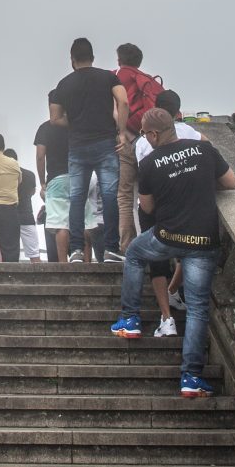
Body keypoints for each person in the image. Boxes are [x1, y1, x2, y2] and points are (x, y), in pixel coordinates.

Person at [111, 107, 235, 396]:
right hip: (204, 242)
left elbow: (148, 207)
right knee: (198, 309)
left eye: (144, 133)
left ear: (154, 134)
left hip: (169, 236)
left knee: (134, 254)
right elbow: (231, 182)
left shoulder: (150, 163)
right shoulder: (204, 150)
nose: (144, 138)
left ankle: (130, 318)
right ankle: (191, 377)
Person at [51, 38, 129, 263]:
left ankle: (76, 250)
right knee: (110, 196)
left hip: (77, 148)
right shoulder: (108, 77)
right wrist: (121, 132)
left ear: (72, 60)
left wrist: (75, 122)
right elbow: (123, 102)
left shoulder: (63, 84)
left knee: (77, 198)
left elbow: (54, 118)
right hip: (106, 144)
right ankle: (111, 249)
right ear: (93, 58)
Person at [134, 89, 201, 336]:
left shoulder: (142, 144)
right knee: (189, 249)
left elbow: (144, 183)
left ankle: (166, 317)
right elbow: (207, 147)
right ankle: (174, 290)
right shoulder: (190, 133)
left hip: (156, 204)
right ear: (177, 112)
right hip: (186, 202)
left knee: (154, 259)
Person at [114, 43, 163, 252]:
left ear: (119, 60)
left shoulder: (116, 77)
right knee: (151, 192)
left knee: (126, 196)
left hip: (127, 141)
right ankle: (154, 241)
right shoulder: (147, 80)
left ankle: (127, 246)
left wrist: (121, 131)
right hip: (150, 142)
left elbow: (118, 108)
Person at [35, 96, 70, 262]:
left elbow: (41, 156)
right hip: (80, 176)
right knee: (83, 221)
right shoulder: (76, 125)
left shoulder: (45, 128)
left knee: (60, 224)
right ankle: (84, 261)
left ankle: (63, 265)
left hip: (57, 178)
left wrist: (43, 183)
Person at [11, 148, 41, 262]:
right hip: (27, 216)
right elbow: (33, 192)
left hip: (9, 218)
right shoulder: (29, 174)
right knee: (34, 254)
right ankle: (39, 278)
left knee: (9, 254)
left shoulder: (4, 177)